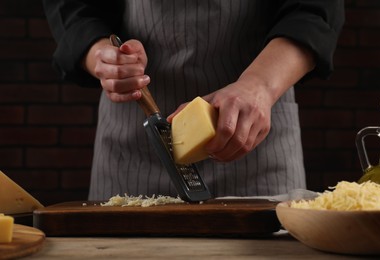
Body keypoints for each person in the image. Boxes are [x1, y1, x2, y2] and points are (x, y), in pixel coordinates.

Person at [42, 0, 344, 200]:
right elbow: (75, 8)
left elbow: (312, 11)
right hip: (131, 154)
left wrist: (258, 86)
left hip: (257, 154)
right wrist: (103, 57)